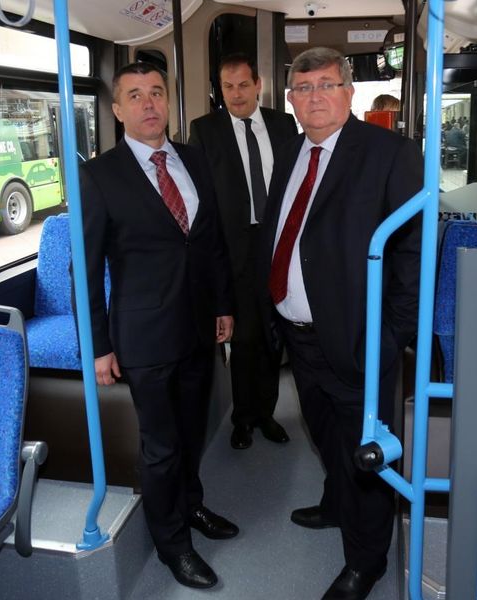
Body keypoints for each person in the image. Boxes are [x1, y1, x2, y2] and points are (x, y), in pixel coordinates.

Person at [257, 47, 422, 600]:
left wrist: (391, 336)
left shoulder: (390, 153)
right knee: (325, 433)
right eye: (304, 88)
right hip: (299, 336)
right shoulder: (290, 151)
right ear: (290, 99)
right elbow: (282, 232)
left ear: (349, 92)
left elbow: (414, 254)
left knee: (365, 452)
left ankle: (365, 561)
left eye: (327, 85)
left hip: (360, 340)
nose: (315, 97)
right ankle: (336, 504)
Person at [79, 62, 238, 590]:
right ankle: (173, 545)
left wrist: (223, 305)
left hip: (198, 326)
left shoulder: (193, 159)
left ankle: (192, 505)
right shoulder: (99, 175)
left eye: (156, 93)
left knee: (192, 432)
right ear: (117, 110)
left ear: (168, 101)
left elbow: (211, 242)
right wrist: (98, 345)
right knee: (161, 445)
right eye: (135, 95)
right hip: (144, 335)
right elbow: (86, 267)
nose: (148, 104)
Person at [188, 53, 298, 450]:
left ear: (258, 86)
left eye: (243, 85)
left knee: (273, 334)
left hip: (278, 242)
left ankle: (267, 413)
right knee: (246, 336)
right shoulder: (205, 130)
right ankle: (243, 417)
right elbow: (200, 195)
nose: (235, 94)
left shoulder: (283, 124)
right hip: (233, 249)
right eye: (227, 87)